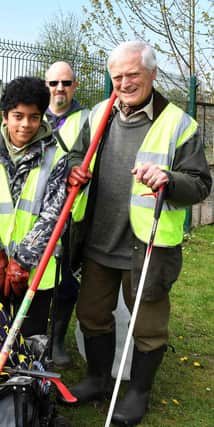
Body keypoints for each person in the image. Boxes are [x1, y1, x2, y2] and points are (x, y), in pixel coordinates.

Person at [64, 41, 212, 426]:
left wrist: (170, 179)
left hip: (148, 246)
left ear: (152, 74)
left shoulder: (179, 123)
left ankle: (138, 392)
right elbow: (74, 155)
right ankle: (97, 379)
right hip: (99, 239)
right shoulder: (98, 114)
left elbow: (199, 184)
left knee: (148, 325)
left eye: (132, 75)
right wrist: (75, 169)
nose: (125, 83)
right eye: (117, 77)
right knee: (92, 315)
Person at [0, 77, 67, 337]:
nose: (25, 124)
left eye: (33, 117)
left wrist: (22, 261)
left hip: (34, 271)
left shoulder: (55, 158)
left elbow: (52, 215)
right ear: (5, 116)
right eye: (18, 116)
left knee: (29, 341)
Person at [44, 61, 90, 367]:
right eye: (54, 83)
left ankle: (57, 340)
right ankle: (35, 336)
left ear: (75, 85)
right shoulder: (32, 115)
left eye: (66, 82)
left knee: (66, 280)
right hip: (36, 209)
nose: (60, 88)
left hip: (74, 212)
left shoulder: (89, 119)